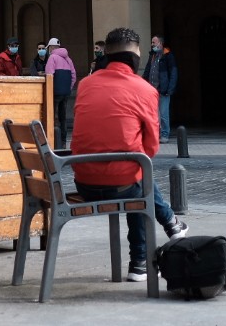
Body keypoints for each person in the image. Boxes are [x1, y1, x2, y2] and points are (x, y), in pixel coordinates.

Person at [71, 27, 187, 282]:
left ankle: (168, 227)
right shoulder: (144, 89)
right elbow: (151, 148)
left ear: (108, 54)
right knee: (137, 177)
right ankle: (141, 260)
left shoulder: (85, 85)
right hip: (122, 184)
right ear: (134, 57)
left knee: (135, 175)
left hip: (84, 182)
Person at [142, 35, 178, 142]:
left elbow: (173, 73)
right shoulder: (152, 56)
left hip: (163, 90)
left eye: (154, 42)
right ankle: (155, 134)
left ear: (160, 44)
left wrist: (170, 88)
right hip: (152, 90)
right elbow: (147, 71)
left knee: (163, 114)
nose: (152, 44)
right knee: (152, 114)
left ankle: (165, 134)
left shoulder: (168, 56)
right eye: (152, 42)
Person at [43, 38, 76, 148]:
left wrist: (50, 90)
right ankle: (63, 142)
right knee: (63, 118)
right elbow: (73, 76)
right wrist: (68, 88)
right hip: (65, 93)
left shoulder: (52, 58)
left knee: (54, 117)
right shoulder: (68, 59)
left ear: (52, 47)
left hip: (55, 92)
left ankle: (54, 142)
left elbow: (49, 75)